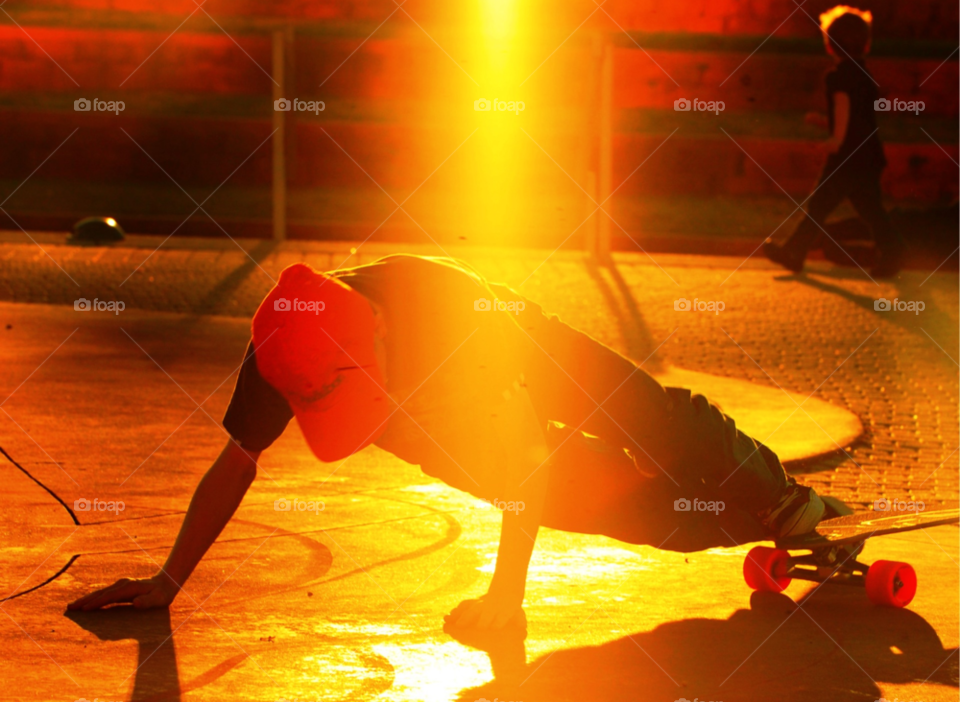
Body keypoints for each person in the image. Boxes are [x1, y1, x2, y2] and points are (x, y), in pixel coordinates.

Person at [68, 255, 831, 630]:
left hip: (519, 348)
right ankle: (735, 523)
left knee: (648, 420)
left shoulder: (445, 310)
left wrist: (506, 598)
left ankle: (780, 494)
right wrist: (169, 578)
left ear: (380, 330)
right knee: (599, 500)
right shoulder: (283, 352)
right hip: (437, 422)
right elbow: (235, 463)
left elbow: (526, 454)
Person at [764, 5, 904, 278]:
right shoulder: (866, 77)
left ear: (829, 45)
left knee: (819, 206)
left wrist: (835, 139)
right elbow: (858, 116)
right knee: (870, 209)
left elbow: (843, 107)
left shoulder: (837, 77)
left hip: (846, 157)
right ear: (866, 45)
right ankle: (893, 252)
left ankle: (794, 251)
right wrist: (825, 123)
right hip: (868, 155)